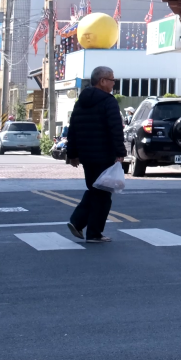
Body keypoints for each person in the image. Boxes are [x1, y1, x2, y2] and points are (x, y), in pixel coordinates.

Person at [65, 65, 127, 242]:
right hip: (104, 155)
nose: (114, 83)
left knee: (95, 189)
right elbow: (115, 129)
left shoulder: (80, 102)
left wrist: (73, 154)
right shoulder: (109, 101)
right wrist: (120, 152)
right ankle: (89, 230)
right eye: (112, 80)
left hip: (86, 156)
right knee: (103, 194)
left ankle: (80, 224)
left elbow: (73, 129)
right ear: (102, 81)